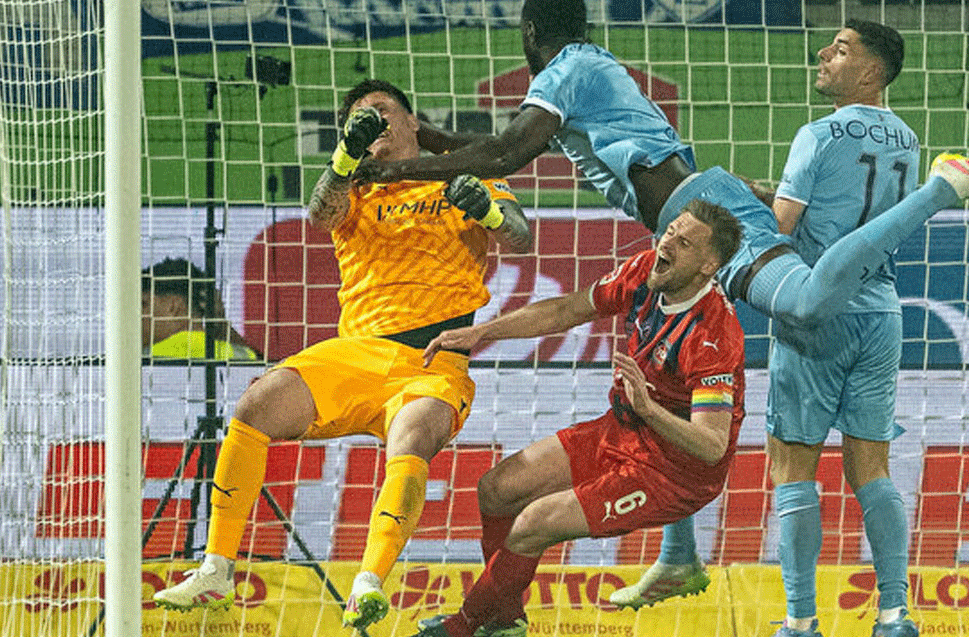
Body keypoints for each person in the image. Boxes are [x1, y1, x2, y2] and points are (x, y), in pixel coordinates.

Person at [353, 0, 969, 334]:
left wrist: (388, 169)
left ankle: (941, 188)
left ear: (532, 35)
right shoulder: (578, 78)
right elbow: (485, 148)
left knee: (808, 304)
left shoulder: (565, 71)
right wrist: (423, 138)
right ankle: (678, 557)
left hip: (705, 215)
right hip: (688, 221)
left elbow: (502, 154)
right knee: (666, 362)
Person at [151, 79, 532, 630]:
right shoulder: (354, 186)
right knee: (255, 405)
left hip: (433, 357)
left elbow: (519, 235)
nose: (372, 122)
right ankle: (215, 571)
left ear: (412, 123)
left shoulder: (463, 173)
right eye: (358, 118)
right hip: (355, 352)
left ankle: (369, 581)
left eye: (381, 111)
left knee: (415, 434)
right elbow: (319, 216)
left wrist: (491, 214)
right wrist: (345, 154)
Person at [611, 21, 924, 637]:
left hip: (817, 316)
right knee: (872, 469)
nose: (823, 56)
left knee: (793, 468)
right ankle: (893, 615)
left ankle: (802, 621)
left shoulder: (818, 133)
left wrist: (736, 209)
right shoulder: (908, 139)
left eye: (840, 49)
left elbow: (779, 228)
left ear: (871, 71)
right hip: (882, 310)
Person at [410, 199, 745, 637]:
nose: (668, 245)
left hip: (675, 474)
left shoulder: (714, 335)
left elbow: (711, 444)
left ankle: (465, 626)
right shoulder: (646, 271)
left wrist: (648, 408)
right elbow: (567, 309)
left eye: (684, 243)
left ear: (708, 267)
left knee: (533, 524)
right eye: (670, 232)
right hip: (623, 430)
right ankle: (504, 619)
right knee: (496, 489)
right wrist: (483, 332)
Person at [142, 257, 259, 360]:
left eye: (144, 304)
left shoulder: (145, 359)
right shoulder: (245, 355)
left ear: (173, 307)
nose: (138, 314)